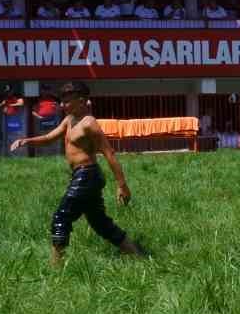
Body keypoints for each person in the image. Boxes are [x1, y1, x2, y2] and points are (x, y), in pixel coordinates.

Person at [10, 82, 144, 266]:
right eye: (62, 101)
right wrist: (26, 140)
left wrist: (122, 185)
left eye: (67, 101)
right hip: (81, 176)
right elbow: (49, 138)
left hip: (87, 176)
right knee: (100, 223)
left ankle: (55, 266)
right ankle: (137, 255)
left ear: (81, 101)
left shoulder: (89, 123)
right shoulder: (69, 120)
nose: (62, 105)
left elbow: (109, 153)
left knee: (61, 217)